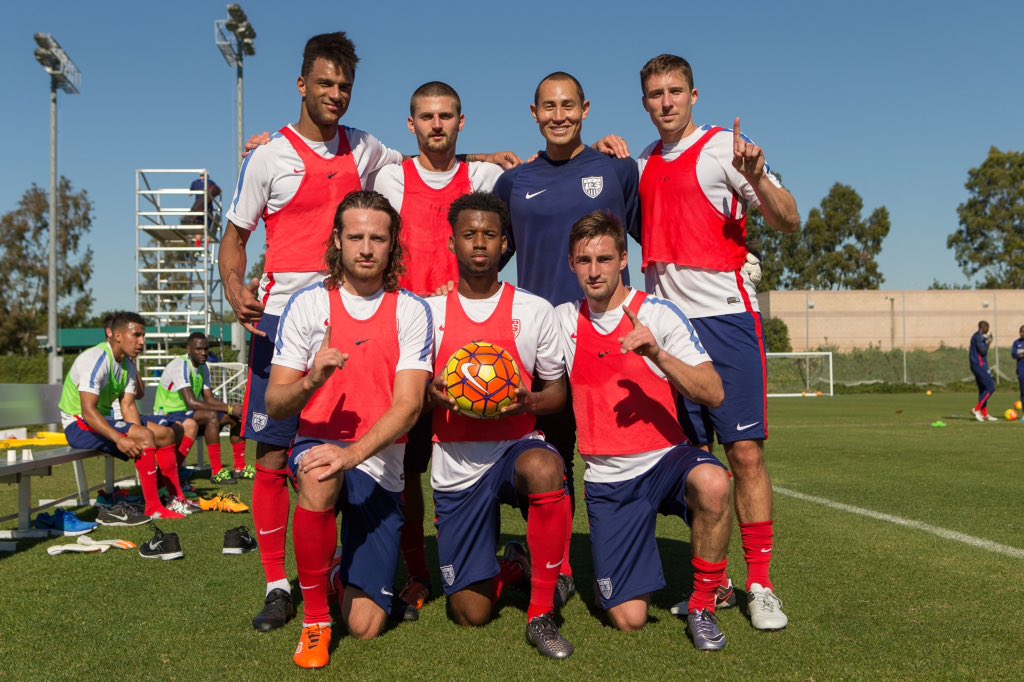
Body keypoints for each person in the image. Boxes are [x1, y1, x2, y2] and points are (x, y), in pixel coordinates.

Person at [222, 33, 520, 631]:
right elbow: (234, 237)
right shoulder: (268, 156)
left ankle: (406, 569)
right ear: (302, 85)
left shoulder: (366, 149)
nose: (335, 95)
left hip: (371, 310)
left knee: (400, 450)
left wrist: (492, 156)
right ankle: (281, 586)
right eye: (325, 83)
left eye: (344, 86)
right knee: (275, 455)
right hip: (286, 313)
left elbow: (435, 156)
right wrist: (234, 288)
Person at [598, 54, 800, 629]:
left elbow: (788, 220)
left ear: (694, 95)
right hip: (667, 333)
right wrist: (613, 156)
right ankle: (714, 585)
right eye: (656, 93)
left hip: (727, 322)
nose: (666, 101)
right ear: (644, 102)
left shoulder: (724, 150)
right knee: (696, 466)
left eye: (676, 91)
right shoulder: (640, 164)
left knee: (746, 454)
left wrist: (758, 175)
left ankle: (761, 584)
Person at [265, 191, 432, 669]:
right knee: (319, 474)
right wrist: (311, 380)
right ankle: (315, 621)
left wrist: (351, 454)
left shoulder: (410, 310)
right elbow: (277, 404)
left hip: (379, 462)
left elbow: (409, 406)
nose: (365, 247)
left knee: (365, 625)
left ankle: (337, 568)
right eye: (355, 236)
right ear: (337, 240)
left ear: (392, 244)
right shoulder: (307, 305)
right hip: (320, 445)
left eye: (377, 238)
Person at [554, 212, 734, 651]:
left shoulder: (657, 314)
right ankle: (619, 577)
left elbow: (714, 392)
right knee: (629, 619)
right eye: (584, 260)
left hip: (666, 460)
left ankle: (704, 603)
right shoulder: (561, 320)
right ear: (572, 264)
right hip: (609, 477)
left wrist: (657, 353)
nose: (594, 270)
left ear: (623, 260)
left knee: (713, 482)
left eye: (603, 258)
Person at [493, 71, 641, 603]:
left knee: (614, 452)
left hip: (604, 336)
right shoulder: (513, 182)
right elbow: (488, 254)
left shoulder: (616, 167)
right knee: (550, 457)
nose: (559, 115)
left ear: (586, 109)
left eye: (569, 105)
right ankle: (549, 567)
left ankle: (620, 563)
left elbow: (654, 231)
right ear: (534, 113)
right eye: (548, 107)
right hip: (539, 341)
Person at [370, 81, 504, 618]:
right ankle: (419, 574)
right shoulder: (389, 176)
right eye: (426, 116)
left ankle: (475, 562)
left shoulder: (488, 177)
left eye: (446, 115)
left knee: (468, 460)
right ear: (411, 125)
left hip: (468, 343)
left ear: (462, 121)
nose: (437, 125)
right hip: (404, 340)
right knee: (403, 466)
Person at [426, 193, 573, 659]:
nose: (479, 244)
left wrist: (529, 400)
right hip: (455, 460)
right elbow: (410, 389)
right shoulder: (427, 314)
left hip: (516, 444)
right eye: (469, 235)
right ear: (452, 244)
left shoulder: (534, 309)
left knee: (546, 471)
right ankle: (513, 566)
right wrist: (430, 393)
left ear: (504, 243)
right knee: (472, 613)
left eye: (490, 234)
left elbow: (557, 394)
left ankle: (541, 614)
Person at [58, 312, 196, 519]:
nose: (142, 341)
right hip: (78, 424)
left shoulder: (127, 364)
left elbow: (129, 405)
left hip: (100, 420)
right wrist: (120, 438)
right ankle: (153, 507)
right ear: (115, 335)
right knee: (146, 436)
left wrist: (139, 433)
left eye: (143, 336)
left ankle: (175, 497)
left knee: (166, 434)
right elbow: (87, 411)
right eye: (136, 335)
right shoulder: (96, 359)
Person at [152, 332, 247, 484]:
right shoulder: (180, 365)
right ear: (188, 349)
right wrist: (229, 407)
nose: (203, 353)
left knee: (234, 418)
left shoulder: (203, 368)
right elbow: (192, 402)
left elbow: (209, 399)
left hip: (187, 415)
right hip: (167, 416)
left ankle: (240, 468)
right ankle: (216, 472)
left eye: (206, 349)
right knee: (211, 416)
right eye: (198, 349)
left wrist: (233, 409)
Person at [970, 321, 997, 422]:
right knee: (991, 387)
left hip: (977, 364)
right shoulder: (978, 336)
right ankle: (977, 409)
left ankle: (985, 414)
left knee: (983, 389)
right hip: (979, 365)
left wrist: (986, 340)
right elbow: (983, 351)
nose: (988, 331)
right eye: (987, 328)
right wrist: (988, 341)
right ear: (984, 327)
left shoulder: (977, 336)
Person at [1012, 325, 1024, 416]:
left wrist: (1020, 354)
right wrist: (1021, 355)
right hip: (1021, 370)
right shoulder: (1016, 343)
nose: (1022, 333)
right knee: (1023, 391)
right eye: (1021, 331)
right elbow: (1014, 354)